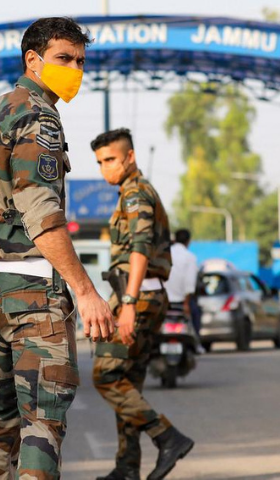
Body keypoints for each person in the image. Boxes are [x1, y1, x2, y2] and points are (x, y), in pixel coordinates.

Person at [0, 17, 113, 479]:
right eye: (64, 59)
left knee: (0, 418)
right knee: (42, 422)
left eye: (81, 62)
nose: (75, 70)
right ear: (34, 59)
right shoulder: (38, 116)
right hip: (32, 296)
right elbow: (42, 217)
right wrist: (85, 292)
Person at [90, 129, 194, 480]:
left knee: (105, 376)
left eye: (111, 160)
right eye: (100, 162)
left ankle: (167, 436)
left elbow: (140, 247)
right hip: (146, 295)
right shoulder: (131, 192)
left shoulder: (136, 193)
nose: (105, 169)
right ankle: (127, 468)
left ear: (130, 157)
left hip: (139, 296)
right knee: (128, 381)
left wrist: (129, 304)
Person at [165, 229, 202, 340]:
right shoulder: (190, 257)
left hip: (163, 301)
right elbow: (189, 284)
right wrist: (186, 304)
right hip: (181, 302)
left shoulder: (165, 254)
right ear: (188, 241)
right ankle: (196, 342)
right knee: (196, 314)